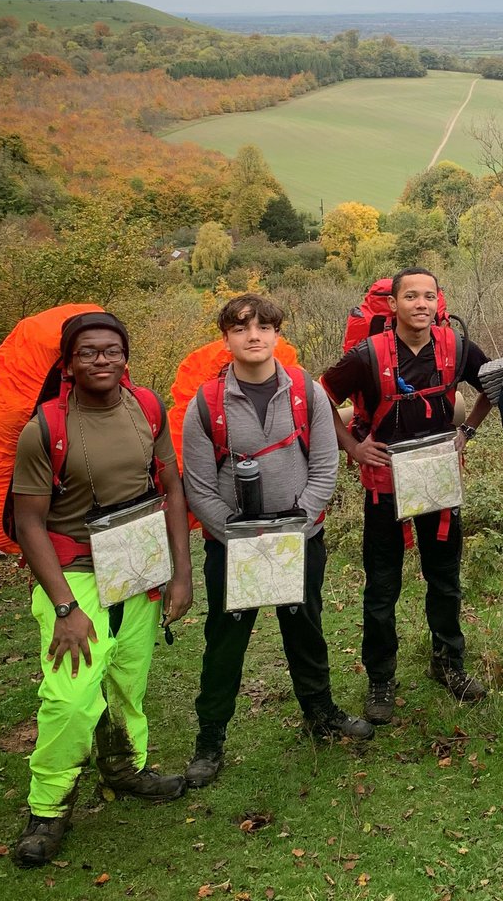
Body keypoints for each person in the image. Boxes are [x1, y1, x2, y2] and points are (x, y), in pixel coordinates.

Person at [11, 312, 193, 868]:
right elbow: (29, 524)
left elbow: (171, 487)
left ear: (125, 356)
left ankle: (125, 766)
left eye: (112, 350)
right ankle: (49, 807)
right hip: (77, 574)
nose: (101, 360)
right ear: (68, 363)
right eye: (88, 352)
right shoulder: (44, 428)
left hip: (139, 568)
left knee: (127, 676)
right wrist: (65, 607)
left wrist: (182, 573)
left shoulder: (147, 408)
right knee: (69, 696)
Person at [182, 294, 371, 790]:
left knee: (304, 625)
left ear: (277, 334)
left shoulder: (305, 392)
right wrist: (239, 535)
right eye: (242, 328)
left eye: (265, 326)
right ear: (226, 338)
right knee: (225, 640)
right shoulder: (206, 402)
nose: (254, 336)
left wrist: (300, 524)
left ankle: (321, 712)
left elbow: (325, 465)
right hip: (232, 546)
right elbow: (198, 485)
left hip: (300, 537)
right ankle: (210, 737)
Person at [322, 267, 494, 724]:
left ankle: (448, 663)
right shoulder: (366, 354)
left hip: (437, 479)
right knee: (382, 585)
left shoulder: (456, 348)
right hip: (385, 483)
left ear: (439, 302)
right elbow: (320, 398)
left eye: (429, 296)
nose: (421, 304)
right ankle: (381, 678)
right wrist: (354, 447)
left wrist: (468, 430)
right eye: (411, 296)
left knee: (444, 578)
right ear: (393, 305)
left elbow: (493, 385)